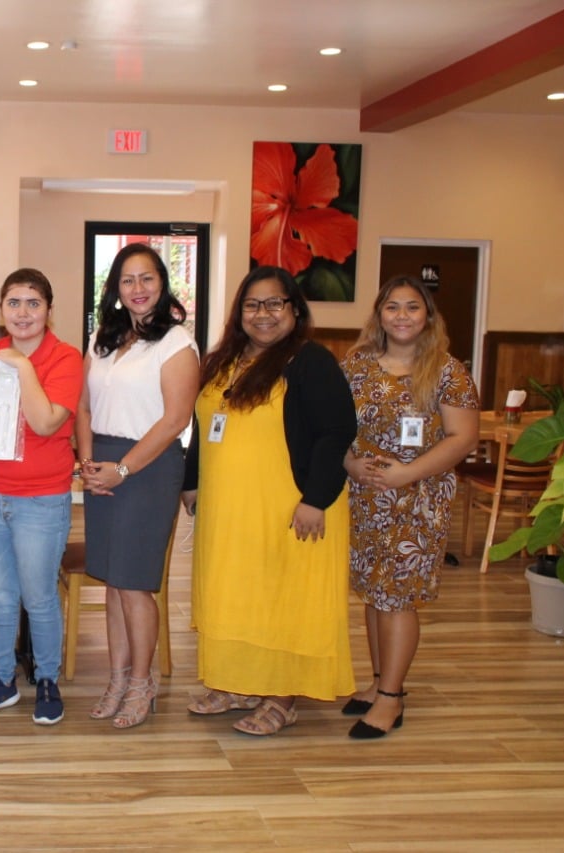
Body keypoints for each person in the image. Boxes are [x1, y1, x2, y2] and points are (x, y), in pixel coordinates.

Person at [182, 265, 356, 736]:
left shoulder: (310, 361)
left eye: (275, 303)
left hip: (290, 508)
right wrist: (191, 479)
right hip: (230, 510)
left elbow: (335, 433)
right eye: (252, 305)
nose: (263, 314)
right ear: (239, 312)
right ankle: (238, 682)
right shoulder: (224, 360)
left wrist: (316, 499)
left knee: (281, 601)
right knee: (235, 595)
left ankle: (281, 696)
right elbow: (204, 422)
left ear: (294, 310)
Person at [340, 274, 479, 739]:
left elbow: (463, 438)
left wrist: (405, 473)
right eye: (393, 307)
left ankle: (392, 699)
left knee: (397, 596)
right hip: (364, 497)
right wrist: (351, 464)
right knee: (373, 591)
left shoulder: (447, 370)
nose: (402, 316)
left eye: (412, 307)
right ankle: (379, 682)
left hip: (418, 500)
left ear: (428, 316)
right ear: (379, 314)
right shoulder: (356, 366)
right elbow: (333, 426)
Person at [76, 242, 200, 729]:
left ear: (161, 284)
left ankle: (143, 683)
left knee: (135, 584)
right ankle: (117, 677)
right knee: (111, 582)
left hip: (147, 467)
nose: (138, 289)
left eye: (147, 278)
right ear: (116, 289)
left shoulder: (176, 343)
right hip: (101, 461)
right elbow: (84, 406)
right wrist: (88, 460)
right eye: (128, 281)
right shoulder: (102, 338)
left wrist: (122, 469)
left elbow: (175, 420)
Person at [0, 268, 82, 725]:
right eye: (14, 303)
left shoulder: (65, 359)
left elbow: (47, 422)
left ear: (49, 311)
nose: (23, 312)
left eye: (34, 303)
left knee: (39, 597)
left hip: (40, 500)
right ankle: (1, 682)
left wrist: (23, 366)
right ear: (1, 310)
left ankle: (47, 680)